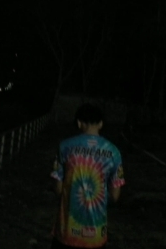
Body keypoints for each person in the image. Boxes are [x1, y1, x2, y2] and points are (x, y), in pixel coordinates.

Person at [50, 103, 126, 248]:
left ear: (79, 123)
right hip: (96, 235)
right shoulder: (114, 152)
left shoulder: (65, 146)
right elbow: (115, 195)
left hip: (67, 232)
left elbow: (58, 188)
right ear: (101, 124)